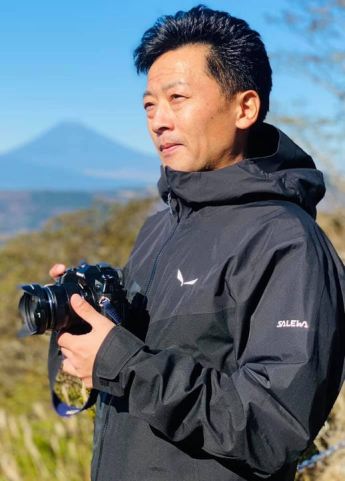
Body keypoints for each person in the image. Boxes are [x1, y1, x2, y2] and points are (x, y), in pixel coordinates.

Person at [51, 5, 345, 481]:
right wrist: (90, 333)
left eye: (177, 98)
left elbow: (273, 427)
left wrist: (122, 363)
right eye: (149, 104)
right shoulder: (159, 229)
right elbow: (141, 379)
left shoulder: (287, 241)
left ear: (244, 107)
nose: (158, 121)